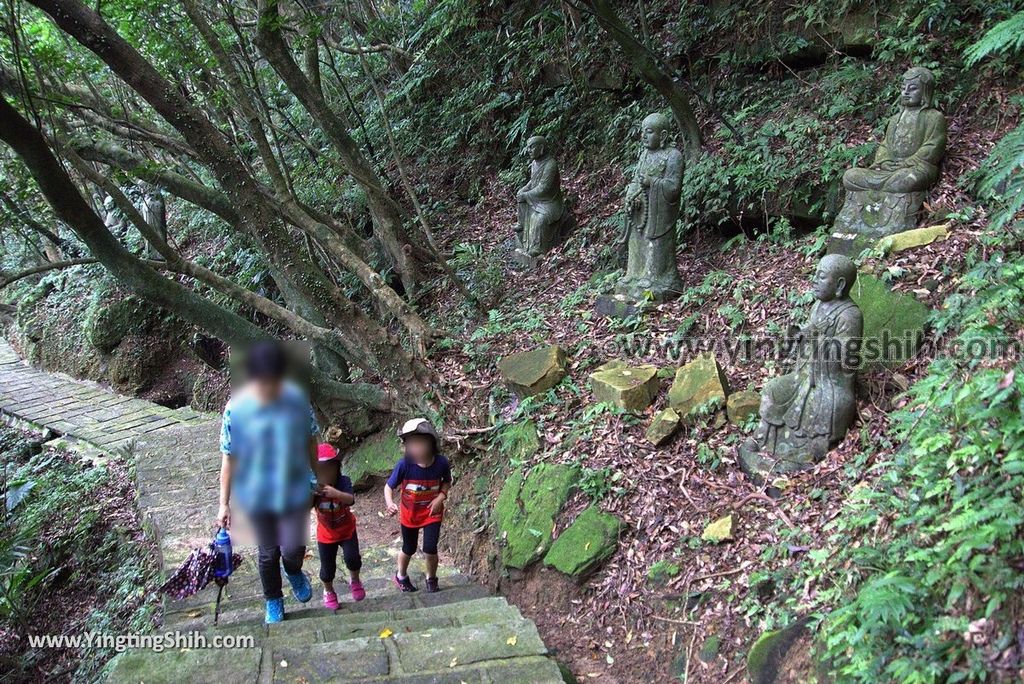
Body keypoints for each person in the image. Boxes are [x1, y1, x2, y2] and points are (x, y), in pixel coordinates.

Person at [216, 340, 319, 624]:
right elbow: (229, 457)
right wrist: (224, 504)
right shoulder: (236, 410)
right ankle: (273, 599)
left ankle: (294, 570)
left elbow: (312, 439)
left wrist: (318, 476)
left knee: (292, 548)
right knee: (267, 552)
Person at [384, 418, 452, 593]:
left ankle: (431, 578)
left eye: (421, 443)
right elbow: (388, 486)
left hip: (432, 512)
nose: (416, 449)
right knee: (409, 547)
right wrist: (390, 502)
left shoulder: (441, 463)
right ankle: (401, 575)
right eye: (412, 444)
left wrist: (441, 497)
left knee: (430, 547)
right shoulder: (404, 465)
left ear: (431, 443)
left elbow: (446, 481)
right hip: (410, 513)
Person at [313, 443, 365, 609]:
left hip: (347, 529)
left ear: (337, 468)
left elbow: (350, 499)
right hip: (326, 534)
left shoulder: (344, 482)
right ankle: (328, 591)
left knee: (353, 559)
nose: (325, 474)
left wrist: (336, 494)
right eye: (320, 470)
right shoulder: (313, 487)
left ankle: (355, 580)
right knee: (327, 569)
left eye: (329, 469)